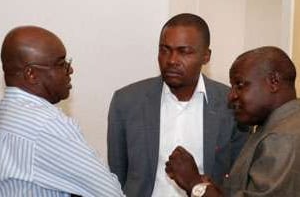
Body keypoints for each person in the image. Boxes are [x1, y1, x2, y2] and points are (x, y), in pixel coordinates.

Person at [107, 13, 248, 197]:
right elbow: (117, 176)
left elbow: (238, 180)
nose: (172, 60)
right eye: (165, 50)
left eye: (184, 51)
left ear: (206, 56)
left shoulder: (231, 103)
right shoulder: (126, 101)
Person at [0, 26, 124, 197]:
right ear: (31, 74)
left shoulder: (6, 114)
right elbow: (109, 193)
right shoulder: (47, 124)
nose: (70, 70)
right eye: (61, 64)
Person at [165, 46, 300, 197]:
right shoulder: (275, 126)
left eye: (240, 85)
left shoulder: (282, 138)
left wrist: (194, 184)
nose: (231, 96)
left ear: (273, 82)